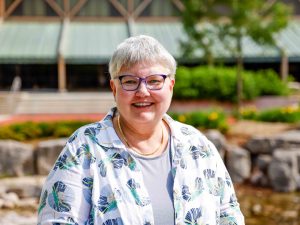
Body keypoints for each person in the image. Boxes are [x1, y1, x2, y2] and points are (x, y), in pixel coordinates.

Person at [37, 35, 244, 225]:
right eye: (130, 81)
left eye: (154, 81)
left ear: (170, 86)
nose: (142, 91)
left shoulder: (197, 146)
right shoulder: (84, 148)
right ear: (114, 88)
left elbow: (228, 213)